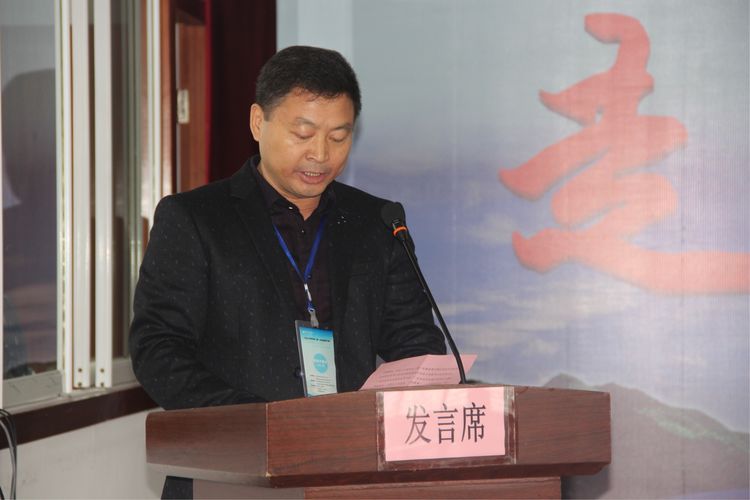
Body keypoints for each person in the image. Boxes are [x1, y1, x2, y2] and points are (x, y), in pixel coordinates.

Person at [130, 45, 446, 498]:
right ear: (258, 122)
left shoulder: (376, 222)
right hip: (231, 472)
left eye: (339, 137)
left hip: (349, 470)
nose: (321, 154)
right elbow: (158, 348)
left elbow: (415, 343)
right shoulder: (196, 219)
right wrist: (260, 422)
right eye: (303, 133)